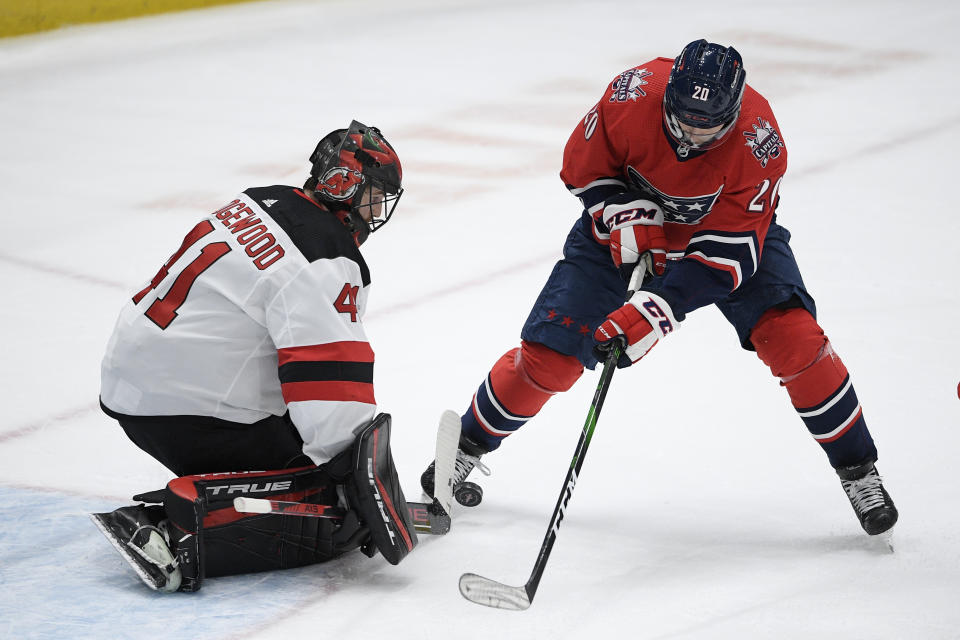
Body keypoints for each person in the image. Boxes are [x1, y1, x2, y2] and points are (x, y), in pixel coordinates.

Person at [421, 40, 898, 537]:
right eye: (682, 119)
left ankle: (859, 470)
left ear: (732, 114)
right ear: (668, 96)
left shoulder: (761, 142)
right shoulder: (631, 94)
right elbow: (581, 168)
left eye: (706, 125)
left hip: (724, 238)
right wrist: (615, 207)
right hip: (618, 237)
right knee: (550, 357)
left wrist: (659, 307)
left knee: (796, 340)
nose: (690, 134)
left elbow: (731, 252)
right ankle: (466, 448)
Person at [92, 120, 421, 593]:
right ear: (345, 185)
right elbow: (329, 391)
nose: (375, 211)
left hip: (135, 381)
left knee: (305, 447)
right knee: (330, 512)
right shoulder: (324, 256)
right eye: (374, 195)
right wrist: (358, 488)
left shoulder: (262, 198)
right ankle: (177, 526)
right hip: (183, 410)